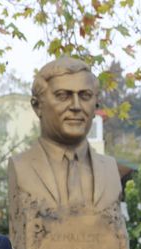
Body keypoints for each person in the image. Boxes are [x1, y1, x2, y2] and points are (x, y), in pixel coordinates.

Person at [8, 56, 121, 211]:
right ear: (37, 106)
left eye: (85, 96)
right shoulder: (21, 167)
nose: (76, 106)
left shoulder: (110, 169)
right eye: (62, 95)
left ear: (95, 105)